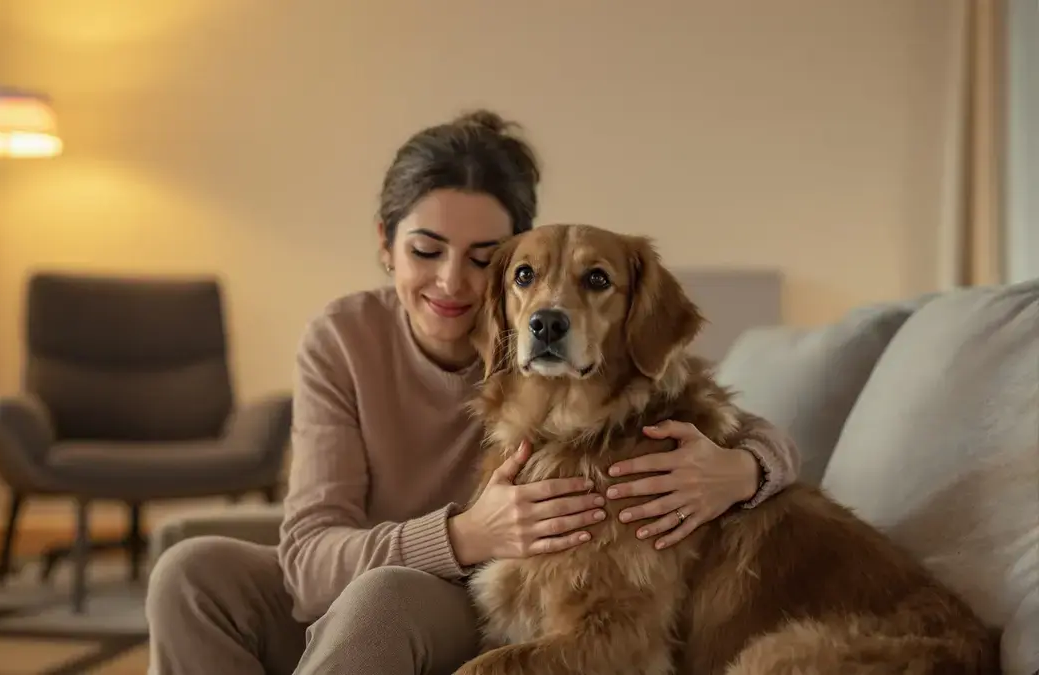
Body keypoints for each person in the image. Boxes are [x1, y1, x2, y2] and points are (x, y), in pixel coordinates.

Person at [146, 110, 801, 675]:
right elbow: (311, 562)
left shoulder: (565, 352)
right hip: (397, 569)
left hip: (471, 599)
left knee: (384, 596)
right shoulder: (344, 337)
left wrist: (745, 469)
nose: (453, 283)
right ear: (385, 244)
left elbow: (713, 409)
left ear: (519, 253)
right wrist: (463, 534)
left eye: (483, 257)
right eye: (426, 249)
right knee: (190, 572)